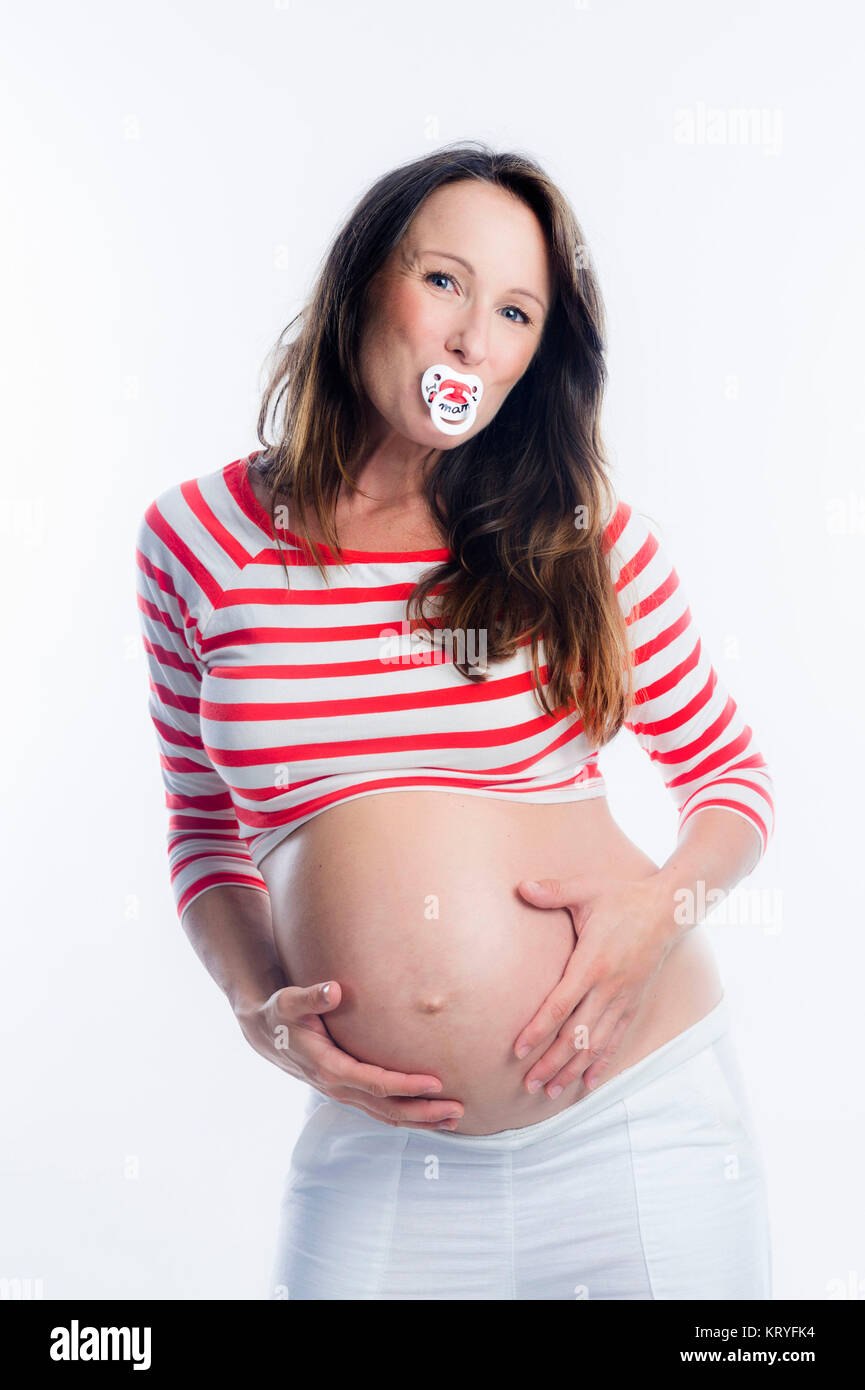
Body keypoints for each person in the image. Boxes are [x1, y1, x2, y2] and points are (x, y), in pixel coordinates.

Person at [135, 143, 774, 1300]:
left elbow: (729, 778)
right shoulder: (194, 539)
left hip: (638, 1120)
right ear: (363, 281)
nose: (474, 339)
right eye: (445, 282)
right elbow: (200, 823)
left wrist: (650, 916)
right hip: (381, 1155)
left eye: (517, 312)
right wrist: (252, 1008)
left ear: (537, 353)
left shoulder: (576, 538)